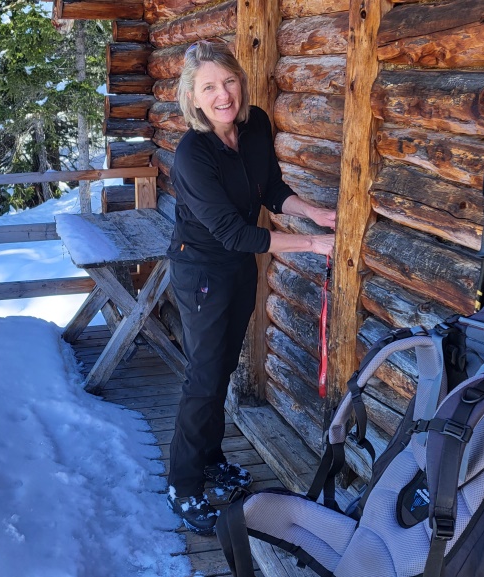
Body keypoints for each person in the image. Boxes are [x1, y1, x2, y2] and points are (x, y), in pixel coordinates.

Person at [165, 39, 337, 535]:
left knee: (222, 368)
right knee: (204, 377)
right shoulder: (193, 154)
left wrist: (315, 214)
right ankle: (183, 485)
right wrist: (312, 245)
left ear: (241, 81)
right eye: (209, 88)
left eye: (229, 81)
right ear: (192, 97)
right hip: (201, 272)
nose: (223, 95)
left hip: (239, 268)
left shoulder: (256, 124)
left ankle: (211, 458)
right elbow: (234, 233)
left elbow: (272, 189)